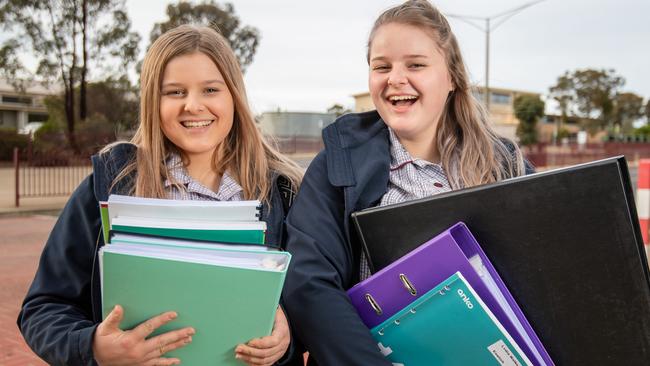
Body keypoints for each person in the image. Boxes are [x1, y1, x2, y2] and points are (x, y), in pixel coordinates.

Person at [17, 25, 303, 366]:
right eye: (175, 92)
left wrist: (288, 337)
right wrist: (93, 348)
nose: (193, 106)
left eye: (210, 89)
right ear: (153, 101)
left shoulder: (284, 193)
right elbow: (43, 307)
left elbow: (315, 302)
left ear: (234, 96)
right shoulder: (109, 188)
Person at [282, 1, 533, 364]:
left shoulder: (505, 165)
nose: (395, 78)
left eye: (415, 64)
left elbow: (544, 276)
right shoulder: (337, 167)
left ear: (451, 77)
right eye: (381, 67)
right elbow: (310, 285)